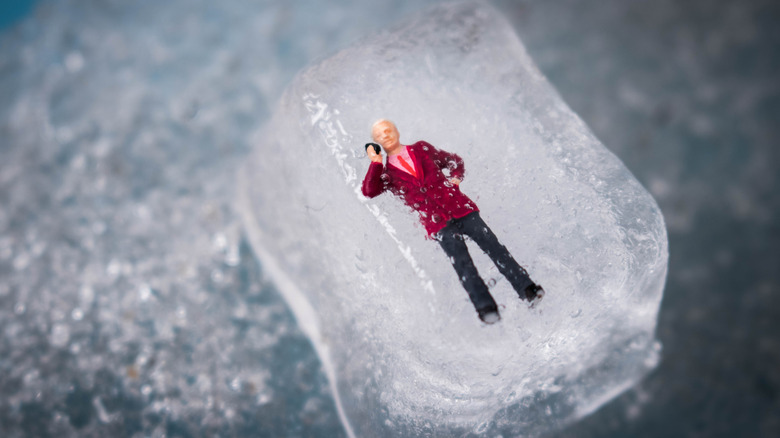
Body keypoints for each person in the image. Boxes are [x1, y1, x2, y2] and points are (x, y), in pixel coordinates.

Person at [361, 119, 544, 324]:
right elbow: (369, 191)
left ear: (396, 130)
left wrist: (456, 178)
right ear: (375, 142)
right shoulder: (385, 174)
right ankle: (486, 307)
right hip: (438, 225)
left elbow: (453, 161)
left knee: (495, 248)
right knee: (463, 266)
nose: (385, 135)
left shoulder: (421, 148)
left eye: (387, 130)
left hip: (461, 209)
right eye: (379, 135)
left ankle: (527, 288)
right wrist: (375, 162)